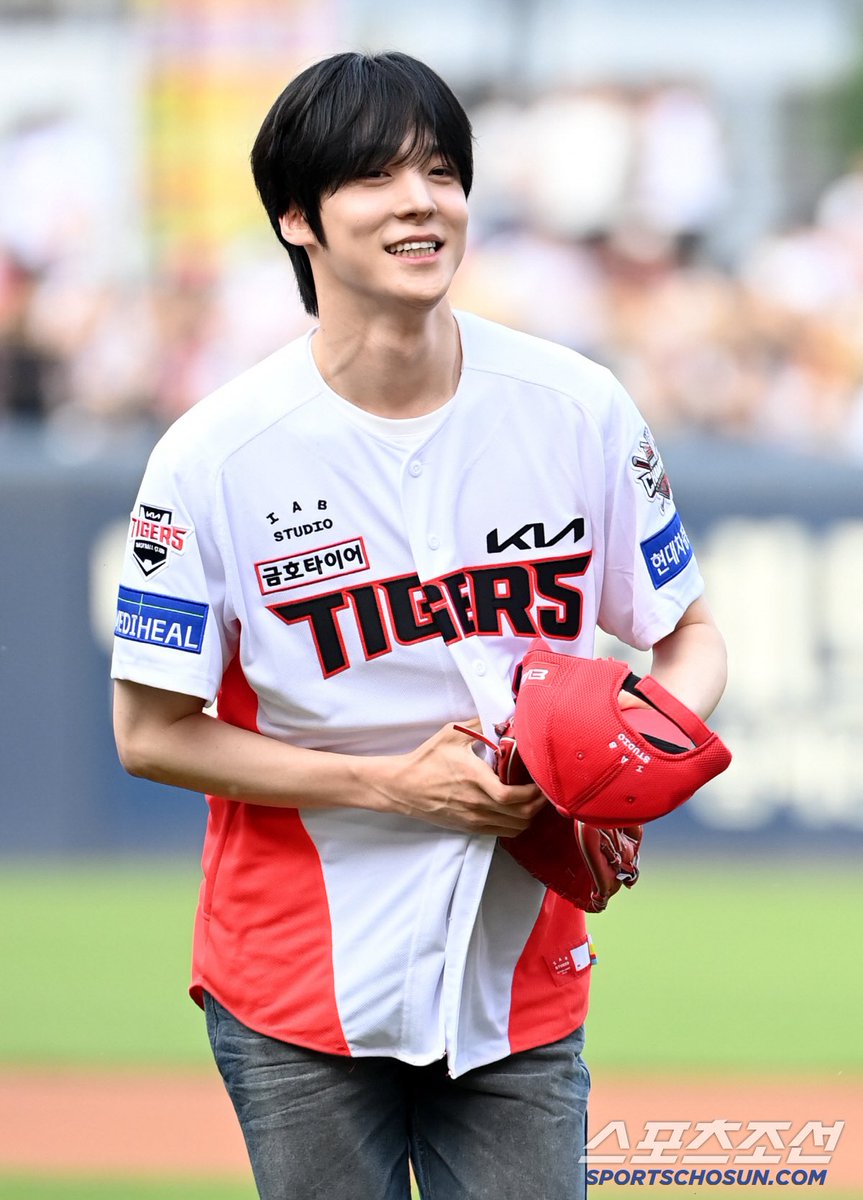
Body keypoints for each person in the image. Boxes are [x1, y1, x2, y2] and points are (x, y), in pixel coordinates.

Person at [111, 50, 727, 1200]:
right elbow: (149, 733)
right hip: (294, 981)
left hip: (519, 974)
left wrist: (611, 771)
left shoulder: (573, 404)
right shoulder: (210, 455)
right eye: (376, 177)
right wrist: (394, 784)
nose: (420, 202)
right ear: (296, 217)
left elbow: (686, 635)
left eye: (441, 171)